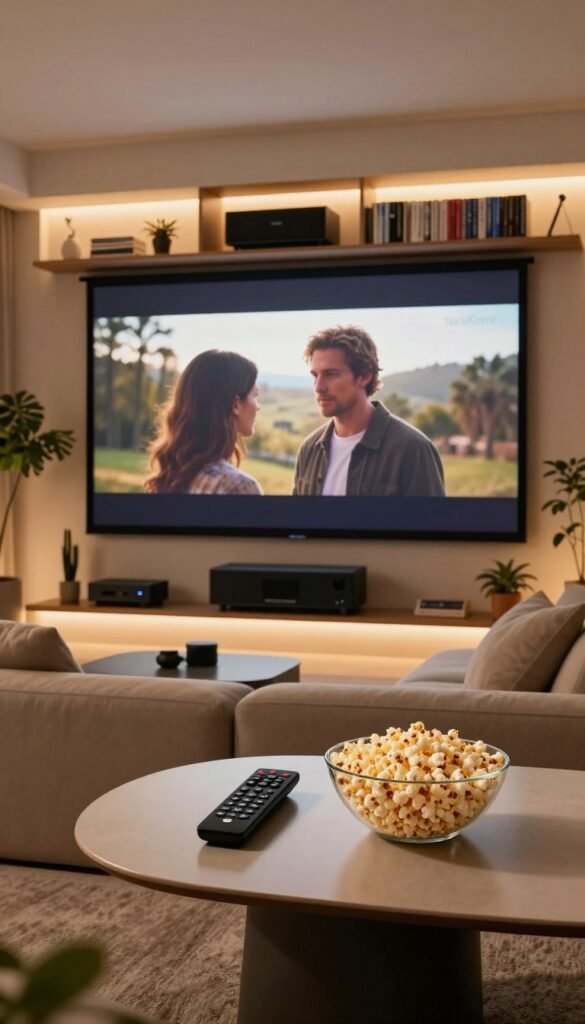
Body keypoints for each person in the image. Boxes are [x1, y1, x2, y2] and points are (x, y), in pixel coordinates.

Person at [293, 325, 445, 497]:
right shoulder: (309, 449)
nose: (319, 387)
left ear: (365, 376)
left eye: (331, 374)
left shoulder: (413, 449)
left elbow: (432, 522)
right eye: (315, 375)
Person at [145, 349, 263, 494]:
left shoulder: (171, 475)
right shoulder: (238, 486)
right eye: (255, 396)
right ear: (236, 404)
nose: (258, 406)